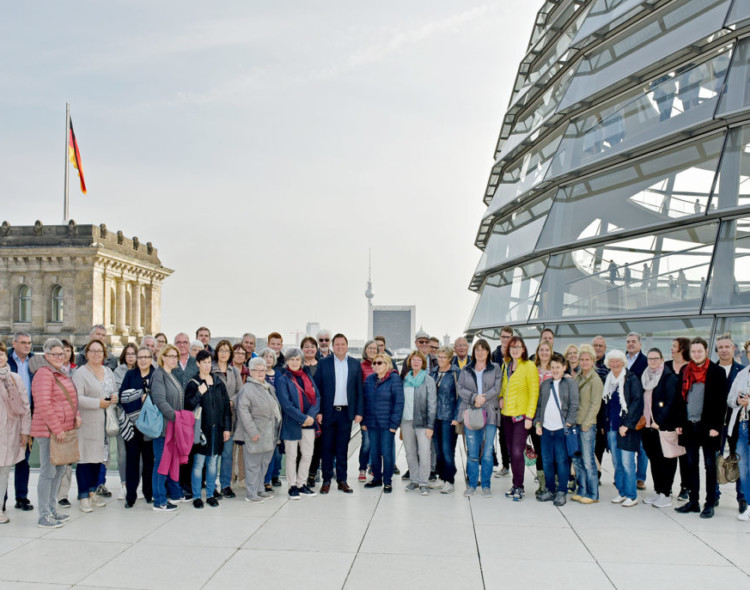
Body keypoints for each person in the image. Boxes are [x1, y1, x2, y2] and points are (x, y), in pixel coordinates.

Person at [674, 337, 727, 518]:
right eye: (693, 351)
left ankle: (710, 503)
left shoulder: (717, 372)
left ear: (706, 351)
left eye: (699, 351)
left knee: (710, 466)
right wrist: (679, 423)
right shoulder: (685, 370)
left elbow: (721, 403)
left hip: (708, 428)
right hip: (689, 426)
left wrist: (716, 427)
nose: (696, 354)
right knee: (690, 465)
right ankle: (693, 501)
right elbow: (680, 399)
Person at [31, 338, 80, 529]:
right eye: (55, 354)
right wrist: (57, 429)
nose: (60, 357)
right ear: (46, 355)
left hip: (62, 431)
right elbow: (44, 405)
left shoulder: (59, 372)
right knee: (48, 472)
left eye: (62, 353)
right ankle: (43, 515)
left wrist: (76, 415)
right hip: (49, 432)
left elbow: (69, 398)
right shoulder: (44, 374)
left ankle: (52, 510)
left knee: (59, 471)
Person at [313, 333, 364, 494]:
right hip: (328, 413)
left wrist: (359, 412)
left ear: (347, 346)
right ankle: (327, 480)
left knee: (342, 448)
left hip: (346, 413)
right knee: (326, 448)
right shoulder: (324, 363)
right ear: (332, 347)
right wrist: (319, 412)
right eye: (337, 344)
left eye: (343, 344)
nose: (340, 347)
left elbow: (359, 390)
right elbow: (318, 390)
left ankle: (342, 480)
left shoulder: (355, 364)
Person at [72, 339, 118, 513]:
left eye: (99, 351)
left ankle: (92, 494)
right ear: (87, 353)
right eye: (92, 351)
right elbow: (78, 398)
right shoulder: (80, 373)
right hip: (87, 423)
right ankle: (83, 497)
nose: (96, 354)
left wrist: (114, 398)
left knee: (98, 460)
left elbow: (114, 391)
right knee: (85, 460)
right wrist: (98, 403)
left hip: (104, 423)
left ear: (104, 354)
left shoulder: (107, 371)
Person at [185, 350, 231, 509]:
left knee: (213, 464)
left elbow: (226, 408)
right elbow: (188, 405)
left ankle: (210, 494)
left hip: (217, 430)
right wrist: (199, 393)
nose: (207, 365)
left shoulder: (218, 382)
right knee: (198, 464)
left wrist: (227, 428)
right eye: (203, 362)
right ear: (198, 364)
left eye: (209, 362)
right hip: (201, 431)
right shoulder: (193, 383)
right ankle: (197, 496)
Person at [234, 357, 282, 503]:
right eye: (257, 370)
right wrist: (252, 432)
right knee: (253, 465)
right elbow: (243, 411)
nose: (261, 373)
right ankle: (251, 493)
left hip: (270, 433)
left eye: (263, 370)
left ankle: (260, 489)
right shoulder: (247, 389)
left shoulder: (268, 387)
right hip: (256, 433)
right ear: (251, 371)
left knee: (264, 463)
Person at [458, 339, 501, 498]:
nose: (480, 352)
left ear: (488, 352)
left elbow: (497, 388)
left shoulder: (495, 368)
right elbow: (460, 388)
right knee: (473, 453)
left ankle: (486, 485)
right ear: (473, 352)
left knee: (488, 452)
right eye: (477, 349)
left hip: (489, 414)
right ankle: (472, 485)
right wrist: (474, 398)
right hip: (472, 414)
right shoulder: (467, 369)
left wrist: (484, 398)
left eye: (483, 349)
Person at [535, 354, 579, 506]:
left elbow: (574, 404)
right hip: (546, 428)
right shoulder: (546, 384)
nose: (555, 370)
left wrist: (569, 422)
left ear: (564, 367)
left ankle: (561, 491)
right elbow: (540, 405)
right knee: (547, 461)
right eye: (552, 367)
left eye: (558, 367)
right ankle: (550, 489)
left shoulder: (569, 383)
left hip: (561, 428)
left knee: (561, 461)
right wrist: (538, 423)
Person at [276, 348, 320, 500]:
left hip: (309, 422)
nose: (295, 362)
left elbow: (317, 397)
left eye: (297, 359)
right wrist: (302, 418)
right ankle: (292, 486)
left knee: (307, 454)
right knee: (292, 455)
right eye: (291, 359)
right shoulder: (283, 379)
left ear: (301, 361)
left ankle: (301, 484)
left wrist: (311, 416)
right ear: (287, 361)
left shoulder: (307, 375)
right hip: (292, 423)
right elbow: (286, 404)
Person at [499, 336, 539, 501]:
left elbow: (534, 392)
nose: (515, 350)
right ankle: (515, 484)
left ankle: (519, 487)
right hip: (507, 416)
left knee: (517, 452)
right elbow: (503, 387)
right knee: (511, 452)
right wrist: (501, 397)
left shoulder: (529, 366)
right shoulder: (506, 365)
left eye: (518, 347)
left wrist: (530, 416)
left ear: (523, 349)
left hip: (522, 417)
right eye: (512, 347)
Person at [603, 350, 644, 507]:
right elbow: (606, 404)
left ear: (623, 362)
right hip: (612, 427)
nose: (615, 364)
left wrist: (627, 424)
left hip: (626, 427)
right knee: (617, 462)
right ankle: (622, 492)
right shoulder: (609, 379)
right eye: (612, 361)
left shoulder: (631, 379)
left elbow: (637, 402)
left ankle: (632, 495)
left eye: (618, 361)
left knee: (628, 463)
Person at [640, 348, 680, 509]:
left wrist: (660, 422)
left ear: (662, 360)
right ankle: (657, 490)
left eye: (656, 358)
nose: (652, 362)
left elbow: (671, 403)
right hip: (648, 426)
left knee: (666, 460)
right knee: (654, 459)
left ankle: (666, 492)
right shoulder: (645, 377)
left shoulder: (668, 377)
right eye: (650, 359)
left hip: (662, 427)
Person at [150, 344, 186, 511]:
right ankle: (159, 500)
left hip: (173, 426)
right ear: (162, 357)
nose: (174, 359)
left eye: (176, 356)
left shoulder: (171, 375)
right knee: (161, 463)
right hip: (164, 428)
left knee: (171, 462)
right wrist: (177, 418)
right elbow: (160, 401)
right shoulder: (158, 374)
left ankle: (173, 493)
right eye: (170, 356)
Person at [118, 346, 155, 507]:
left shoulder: (157, 375)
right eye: (140, 357)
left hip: (150, 426)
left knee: (149, 462)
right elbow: (122, 397)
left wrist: (148, 399)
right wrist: (139, 396)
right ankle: (130, 496)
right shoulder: (130, 374)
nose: (143, 360)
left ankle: (148, 493)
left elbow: (160, 398)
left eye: (146, 357)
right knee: (131, 462)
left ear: (151, 358)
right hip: (132, 426)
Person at [362, 353, 404, 492]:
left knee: (386, 453)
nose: (376, 365)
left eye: (379, 363)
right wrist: (364, 421)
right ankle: (376, 479)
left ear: (387, 364)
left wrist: (394, 424)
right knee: (374, 452)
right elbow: (365, 402)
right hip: (372, 423)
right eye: (374, 363)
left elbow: (399, 403)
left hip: (387, 424)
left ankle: (387, 481)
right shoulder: (369, 380)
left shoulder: (394, 379)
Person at [0, 342, 31, 524]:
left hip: (10, 431)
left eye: (2, 354)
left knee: (4, 471)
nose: (1, 357)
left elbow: (25, 407)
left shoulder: (14, 378)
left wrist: (25, 431)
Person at [715, 335, 746, 512]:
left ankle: (741, 497)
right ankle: (714, 495)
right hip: (716, 424)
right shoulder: (711, 371)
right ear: (717, 350)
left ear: (733, 349)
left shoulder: (742, 372)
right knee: (714, 460)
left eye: (727, 346)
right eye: (721, 347)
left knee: (739, 460)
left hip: (736, 423)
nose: (724, 350)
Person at [400, 350, 437, 496]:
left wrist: (430, 425)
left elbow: (432, 404)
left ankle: (423, 482)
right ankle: (414, 480)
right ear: (410, 362)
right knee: (410, 453)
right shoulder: (405, 379)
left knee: (424, 452)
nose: (416, 362)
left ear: (423, 364)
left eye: (419, 360)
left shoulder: (428, 380)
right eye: (413, 359)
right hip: (406, 421)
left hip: (423, 422)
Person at [6, 331, 34, 512]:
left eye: (29, 343)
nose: (27, 346)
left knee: (24, 459)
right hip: (7, 418)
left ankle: (21, 496)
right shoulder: (6, 361)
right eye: (23, 343)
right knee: (4, 460)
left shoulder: (35, 362)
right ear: (14, 344)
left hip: (28, 417)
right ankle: (2, 498)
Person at [212, 340, 242, 499]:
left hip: (230, 417)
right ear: (217, 352)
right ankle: (212, 485)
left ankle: (226, 485)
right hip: (214, 417)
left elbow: (240, 391)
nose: (224, 353)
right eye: (221, 350)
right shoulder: (211, 369)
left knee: (228, 453)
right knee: (213, 454)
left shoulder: (234, 371)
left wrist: (232, 400)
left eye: (227, 351)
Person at [572, 344, 602, 504]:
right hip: (575, 424)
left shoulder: (595, 380)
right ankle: (581, 489)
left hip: (586, 426)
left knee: (588, 460)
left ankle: (593, 493)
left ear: (592, 361)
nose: (584, 362)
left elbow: (595, 404)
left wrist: (587, 423)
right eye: (581, 359)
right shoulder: (577, 377)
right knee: (577, 460)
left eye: (587, 359)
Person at [431, 346, 460, 493]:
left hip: (449, 417)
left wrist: (456, 417)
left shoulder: (456, 372)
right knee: (438, 450)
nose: (440, 359)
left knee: (447, 450)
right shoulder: (433, 372)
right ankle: (441, 478)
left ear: (450, 358)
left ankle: (450, 480)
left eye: (444, 357)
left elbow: (460, 397)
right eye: (439, 356)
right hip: (435, 417)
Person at [666, 336, 691, 500]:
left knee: (685, 456)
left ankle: (685, 488)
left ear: (682, 348)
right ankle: (666, 487)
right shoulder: (666, 366)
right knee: (668, 454)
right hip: (667, 417)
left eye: (674, 346)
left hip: (686, 419)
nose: (671, 349)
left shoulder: (691, 367)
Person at [112, 342, 138, 501]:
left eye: (133, 353)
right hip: (122, 417)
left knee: (138, 455)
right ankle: (124, 485)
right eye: (127, 354)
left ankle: (136, 485)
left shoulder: (142, 370)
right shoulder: (118, 371)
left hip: (139, 418)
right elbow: (117, 394)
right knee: (123, 454)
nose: (130, 356)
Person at [625, 332, 648, 490]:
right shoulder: (621, 360)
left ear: (640, 344)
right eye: (628, 342)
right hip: (624, 409)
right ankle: (627, 475)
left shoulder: (646, 362)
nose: (631, 344)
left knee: (641, 447)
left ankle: (640, 478)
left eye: (634, 342)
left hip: (640, 409)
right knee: (626, 446)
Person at [727, 362, 750, 520]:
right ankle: (748, 505)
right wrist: (738, 401)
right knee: (744, 467)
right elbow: (729, 400)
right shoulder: (742, 374)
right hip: (742, 426)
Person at [258, 348, 282, 490]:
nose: (268, 359)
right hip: (262, 418)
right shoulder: (259, 375)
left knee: (274, 452)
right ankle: (261, 479)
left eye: (270, 357)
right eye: (265, 357)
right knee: (262, 451)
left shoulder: (279, 375)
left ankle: (269, 479)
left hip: (276, 418)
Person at [491, 327, 513, 479]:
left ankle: (516, 461)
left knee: (515, 434)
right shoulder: (494, 355)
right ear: (500, 337)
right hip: (497, 400)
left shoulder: (516, 353)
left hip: (513, 400)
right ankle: (505, 465)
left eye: (509, 337)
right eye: (504, 337)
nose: (506, 339)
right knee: (502, 434)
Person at [357, 340, 378, 481]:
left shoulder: (383, 365)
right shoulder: (361, 367)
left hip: (380, 411)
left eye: (374, 348)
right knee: (367, 442)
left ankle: (374, 467)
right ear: (365, 350)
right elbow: (358, 391)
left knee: (377, 442)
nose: (372, 350)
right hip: (366, 410)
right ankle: (362, 468)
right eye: (369, 348)